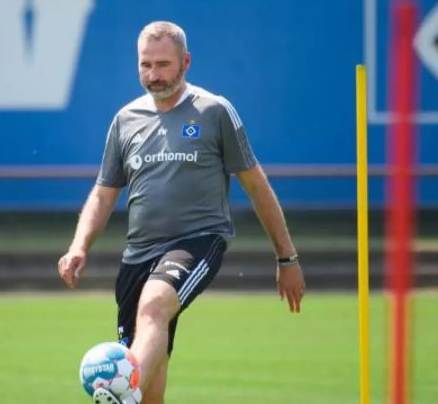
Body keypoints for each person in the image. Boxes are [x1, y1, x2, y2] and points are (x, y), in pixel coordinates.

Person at [57, 21, 306, 404]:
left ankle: (121, 389)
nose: (153, 75)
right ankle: (135, 390)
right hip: (137, 255)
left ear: (186, 62)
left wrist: (286, 256)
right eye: (145, 65)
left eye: (163, 64)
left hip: (198, 240)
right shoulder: (125, 120)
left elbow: (257, 186)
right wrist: (79, 246)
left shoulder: (214, 111)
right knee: (153, 386)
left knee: (154, 304)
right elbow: (104, 193)